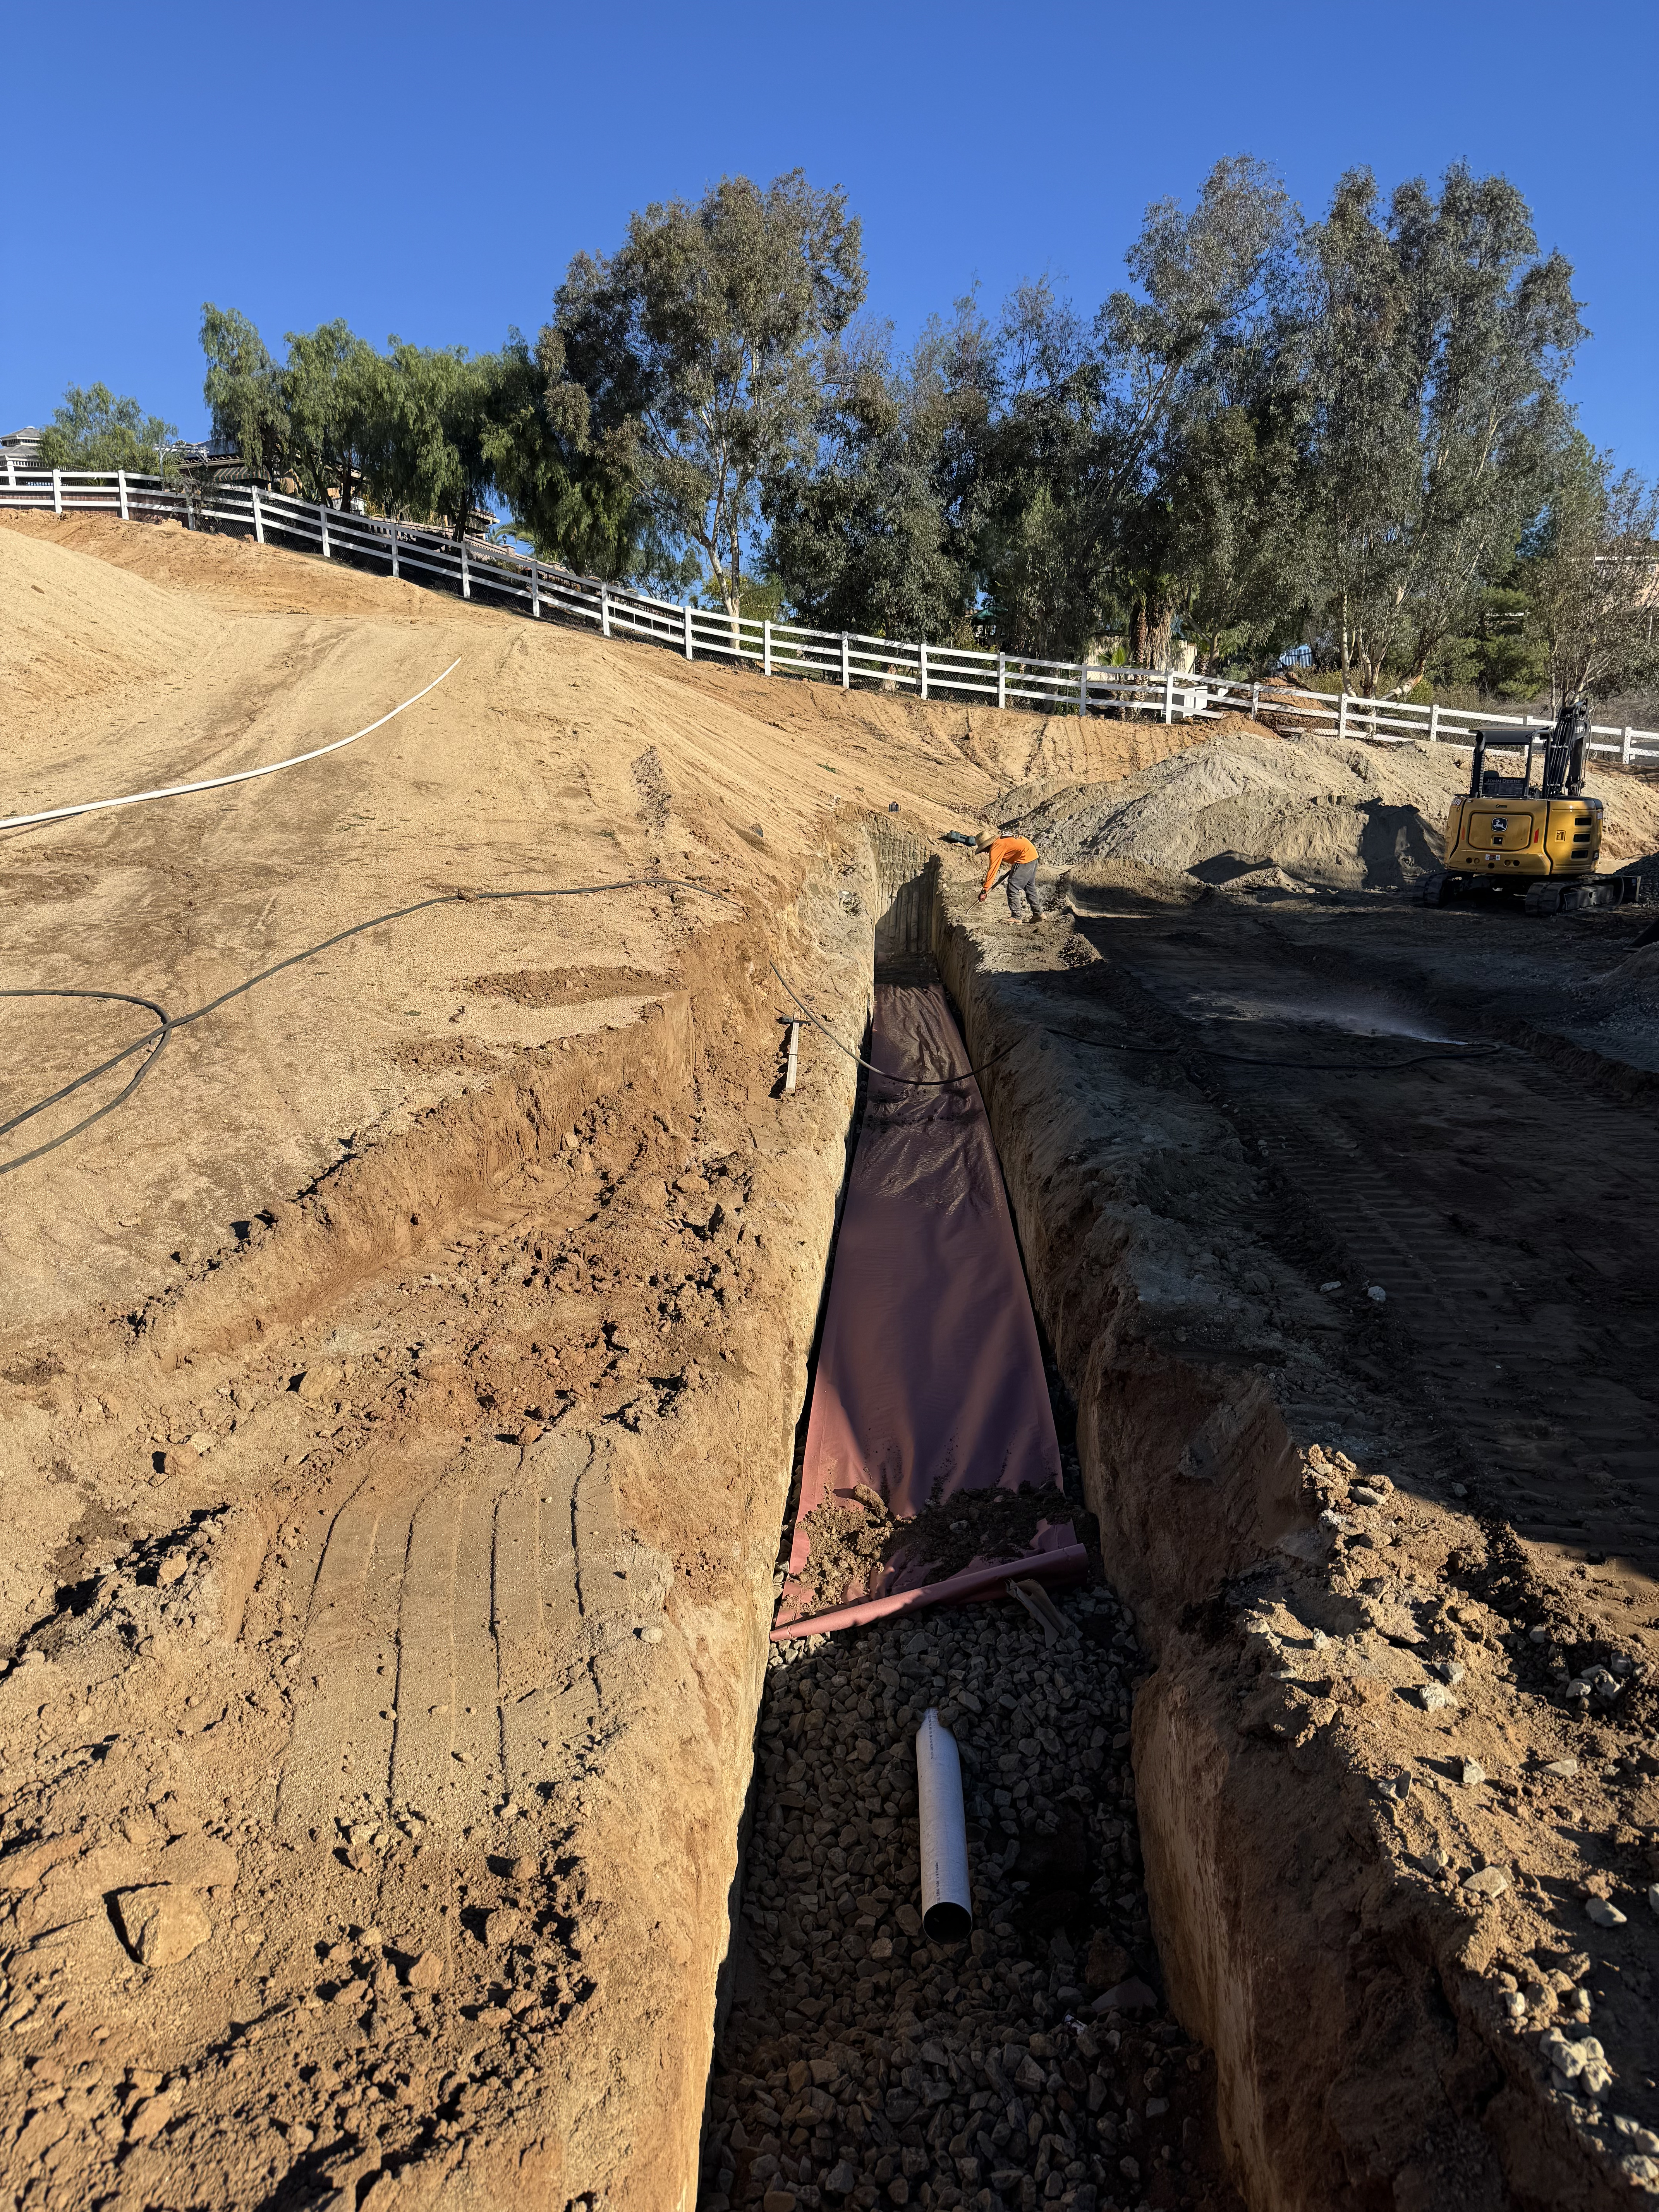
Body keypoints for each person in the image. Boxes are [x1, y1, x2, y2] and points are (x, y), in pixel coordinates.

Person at [975, 830, 1047, 922]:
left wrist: (985, 890)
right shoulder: (1001, 840)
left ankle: (1016, 917)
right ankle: (1038, 914)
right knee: (1029, 887)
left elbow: (993, 869)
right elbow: (1015, 848)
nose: (986, 852)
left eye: (984, 850)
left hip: (1025, 858)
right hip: (1032, 856)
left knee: (1013, 886)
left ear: (988, 845)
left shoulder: (996, 847)